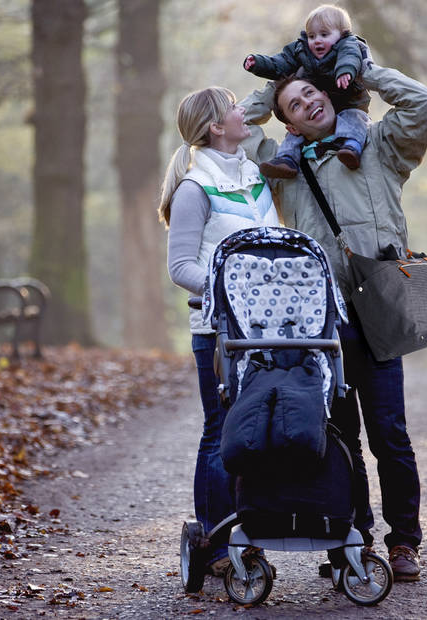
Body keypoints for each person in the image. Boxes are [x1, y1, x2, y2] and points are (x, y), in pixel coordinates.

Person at [238, 62, 427, 582]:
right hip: (325, 322)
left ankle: (404, 544)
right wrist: (275, 83)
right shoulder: (284, 168)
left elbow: (422, 103)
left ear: (327, 95)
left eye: (311, 94)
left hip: (380, 312)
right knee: (340, 435)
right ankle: (351, 539)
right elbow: (240, 126)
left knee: (389, 433)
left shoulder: (379, 145)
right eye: (295, 106)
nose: (307, 104)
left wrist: (361, 72)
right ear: (291, 126)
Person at [158, 86, 279, 576]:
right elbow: (181, 266)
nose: (241, 112)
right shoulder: (193, 189)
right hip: (217, 331)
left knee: (258, 433)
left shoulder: (252, 175)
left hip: (266, 329)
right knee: (220, 431)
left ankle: (249, 535)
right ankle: (215, 543)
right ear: (214, 126)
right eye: (233, 107)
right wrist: (234, 288)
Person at [243, 3, 371, 178]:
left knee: (355, 120)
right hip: (323, 101)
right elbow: (281, 63)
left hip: (350, 100)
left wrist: (346, 72)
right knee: (295, 134)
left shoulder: (348, 45)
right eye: (312, 36)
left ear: (342, 35)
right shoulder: (301, 48)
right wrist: (258, 64)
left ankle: (351, 148)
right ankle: (286, 160)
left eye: (324, 35)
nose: (317, 40)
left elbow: (350, 57)